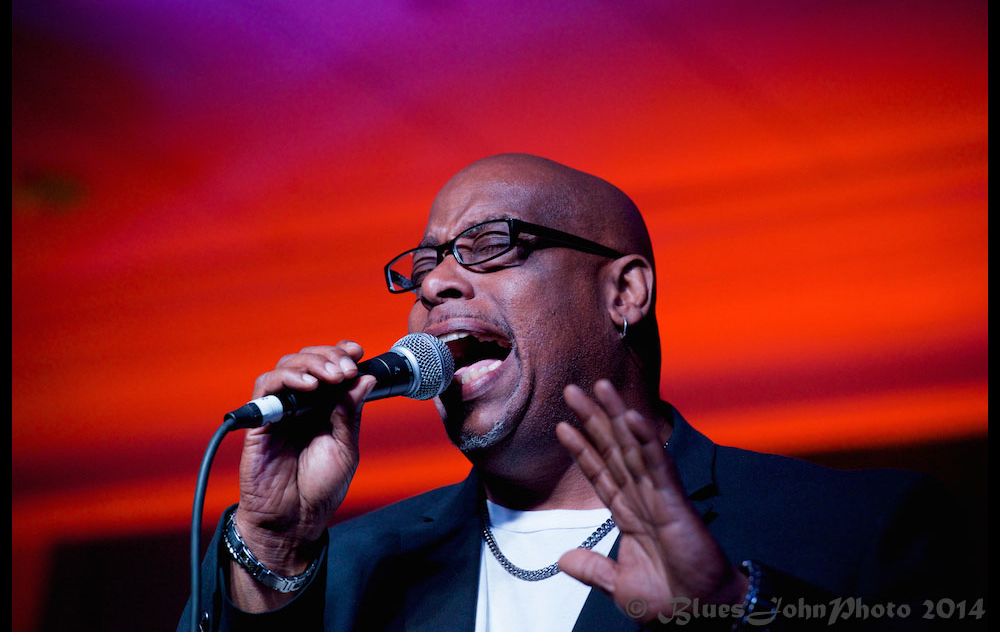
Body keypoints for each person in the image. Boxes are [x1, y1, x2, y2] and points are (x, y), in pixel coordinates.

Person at [181, 154, 977, 631]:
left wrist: (735, 610)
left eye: (490, 245)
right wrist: (276, 546)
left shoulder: (858, 526)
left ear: (624, 293)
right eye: (423, 269)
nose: (436, 287)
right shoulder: (348, 566)